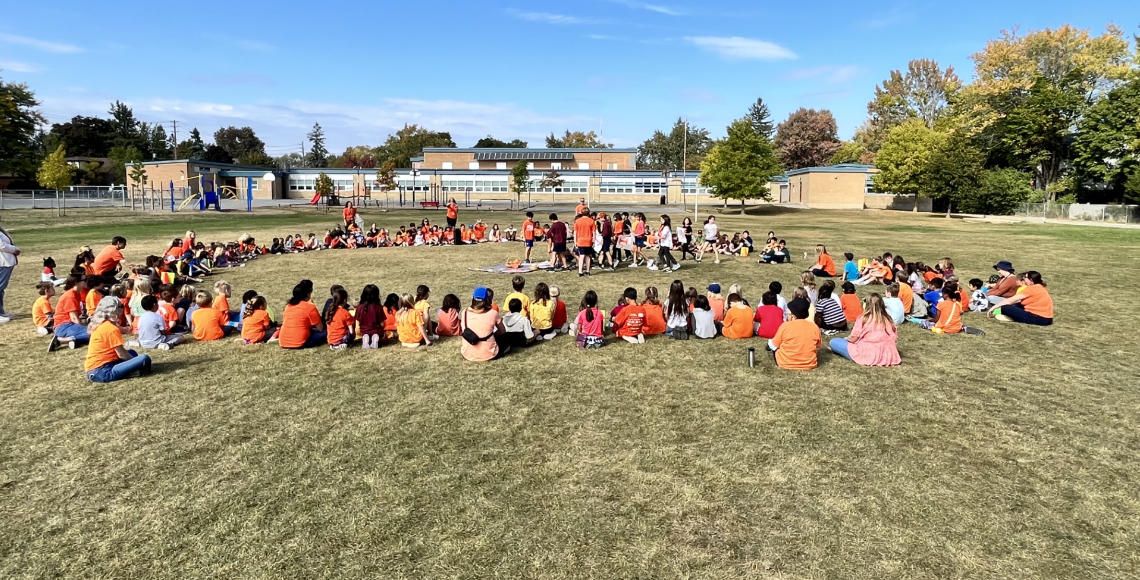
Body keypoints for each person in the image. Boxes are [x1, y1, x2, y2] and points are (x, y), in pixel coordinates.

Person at [84, 297, 152, 383]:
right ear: (115, 309)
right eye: (122, 306)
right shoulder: (111, 329)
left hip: (96, 368)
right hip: (103, 371)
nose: (123, 308)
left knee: (132, 353)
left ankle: (132, 370)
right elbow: (122, 355)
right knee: (144, 358)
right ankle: (133, 371)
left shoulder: (102, 324)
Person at [829, 293, 901, 367]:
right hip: (888, 353)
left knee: (834, 341)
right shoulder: (888, 319)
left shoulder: (864, 319)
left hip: (867, 353)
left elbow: (853, 339)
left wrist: (846, 339)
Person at [769, 298, 821, 370]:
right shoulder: (814, 327)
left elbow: (774, 344)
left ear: (793, 314)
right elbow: (817, 345)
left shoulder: (785, 326)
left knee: (772, 344)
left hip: (786, 363)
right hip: (809, 364)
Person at [460, 287, 506, 361]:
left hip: (468, 354)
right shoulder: (493, 313)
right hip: (490, 354)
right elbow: (502, 331)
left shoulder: (464, 312)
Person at [280, 281, 327, 349]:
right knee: (327, 331)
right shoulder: (310, 307)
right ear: (308, 294)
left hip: (283, 342)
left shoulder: (288, 306)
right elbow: (320, 328)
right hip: (299, 343)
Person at [49, 274, 89, 352]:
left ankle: (74, 341)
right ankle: (59, 341)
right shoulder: (70, 296)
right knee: (94, 333)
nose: (86, 281)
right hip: (64, 326)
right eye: (84, 280)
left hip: (67, 325)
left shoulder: (76, 293)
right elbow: (74, 318)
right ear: (77, 283)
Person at [323, 286, 354, 351]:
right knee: (351, 327)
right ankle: (342, 344)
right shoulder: (345, 313)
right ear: (345, 300)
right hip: (340, 339)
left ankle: (334, 345)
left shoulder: (329, 311)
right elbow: (351, 331)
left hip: (330, 340)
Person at [574, 209, 596, 277]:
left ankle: (580, 271)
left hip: (580, 240)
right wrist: (594, 240)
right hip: (588, 240)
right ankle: (587, 271)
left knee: (581, 256)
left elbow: (575, 232)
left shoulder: (577, 221)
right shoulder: (591, 221)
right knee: (588, 256)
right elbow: (594, 232)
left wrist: (575, 241)